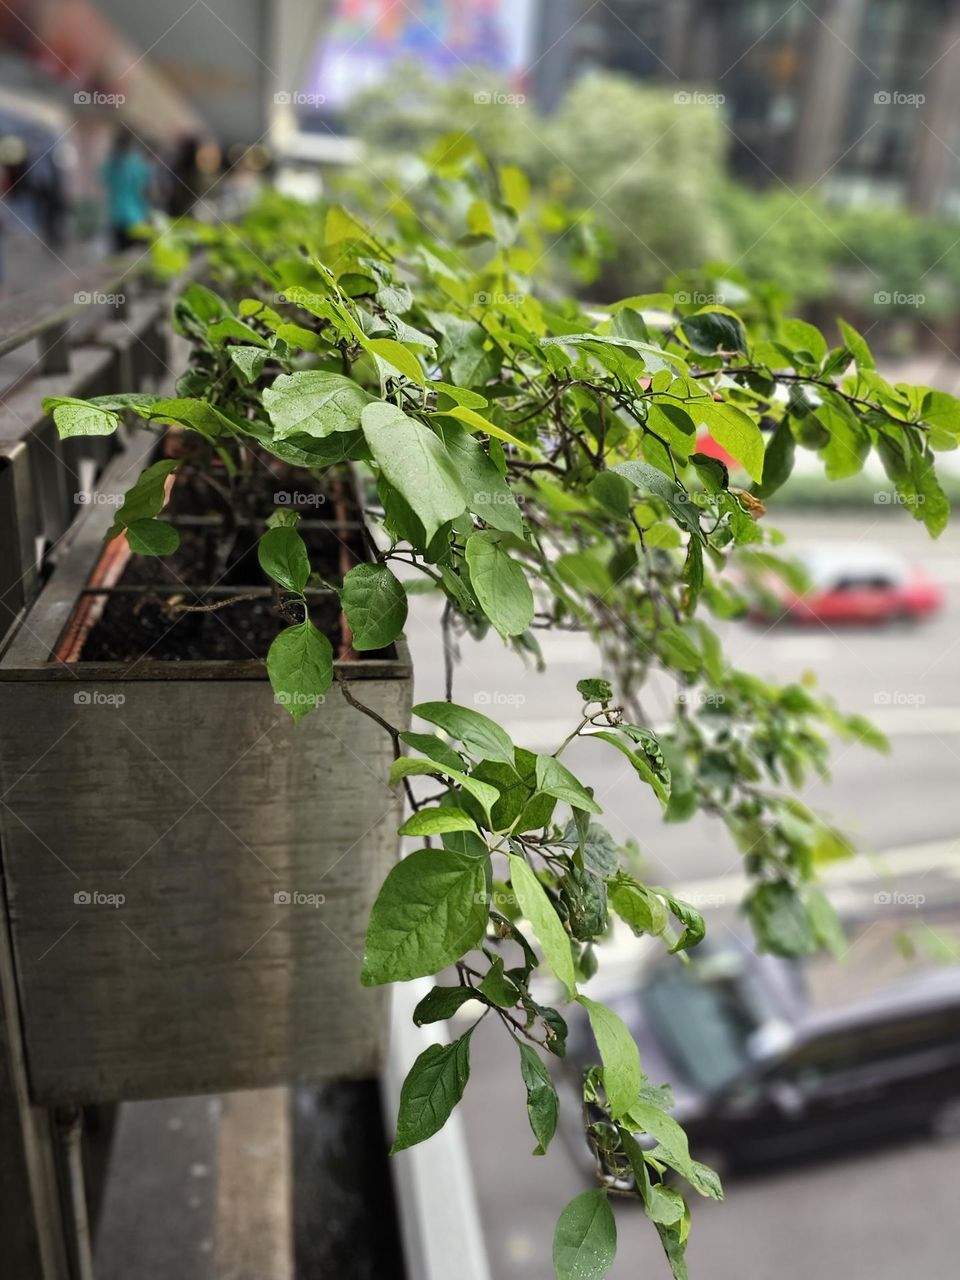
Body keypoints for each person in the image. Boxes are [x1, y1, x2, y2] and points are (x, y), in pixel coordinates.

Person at [100, 129, 152, 253]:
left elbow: (104, 183)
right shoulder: (138, 163)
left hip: (116, 215)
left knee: (119, 254)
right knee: (134, 255)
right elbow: (145, 191)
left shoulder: (110, 163)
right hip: (135, 217)